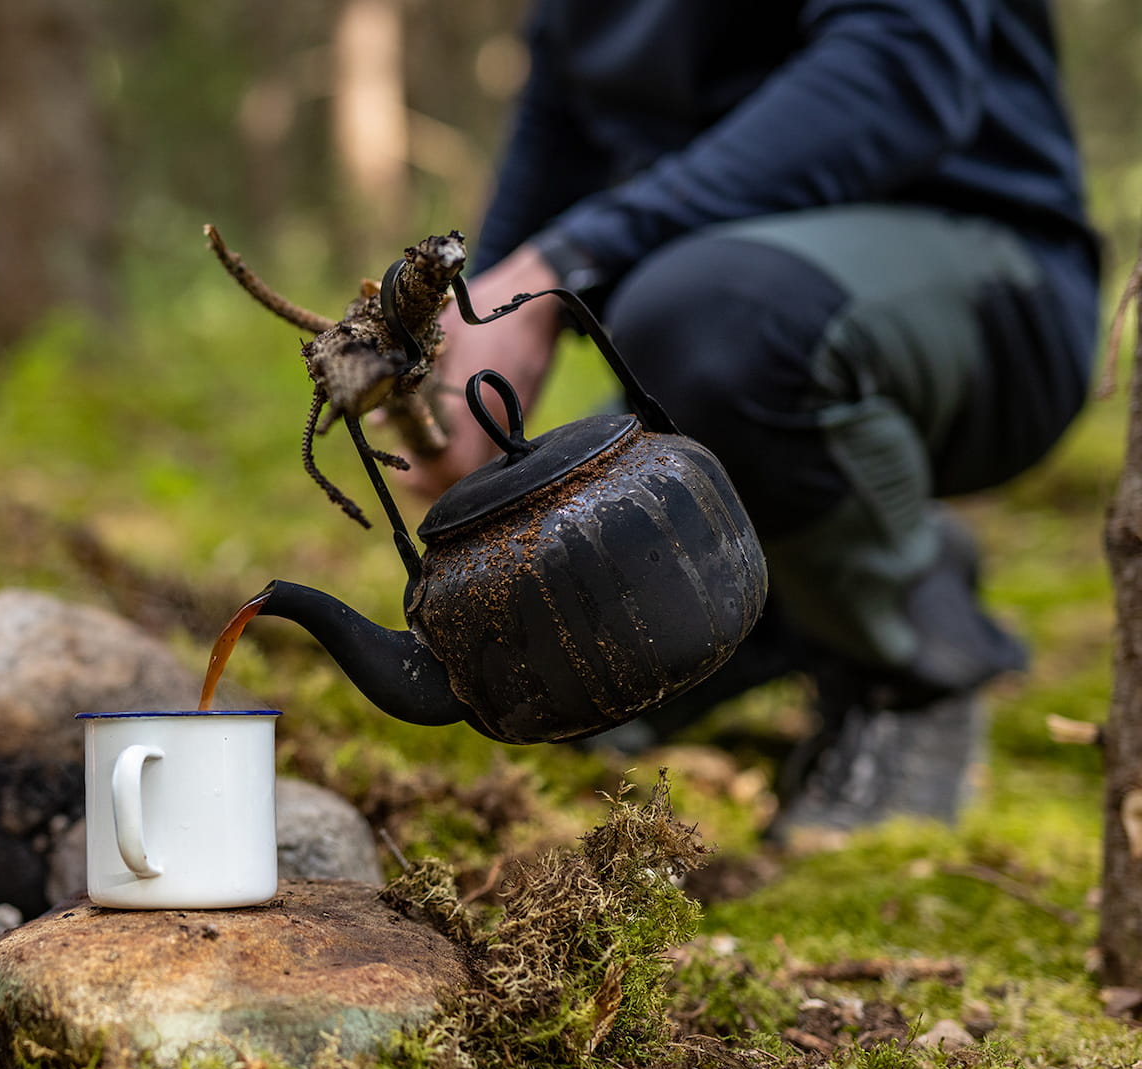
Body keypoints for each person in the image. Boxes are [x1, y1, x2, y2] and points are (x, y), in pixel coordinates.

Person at [408, 0, 1102, 846]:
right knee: (585, 591)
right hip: (733, 292)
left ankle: (912, 665)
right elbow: (564, 115)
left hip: (990, 282)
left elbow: (900, 71)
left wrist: (568, 259)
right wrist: (476, 327)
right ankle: (787, 607)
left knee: (710, 325)